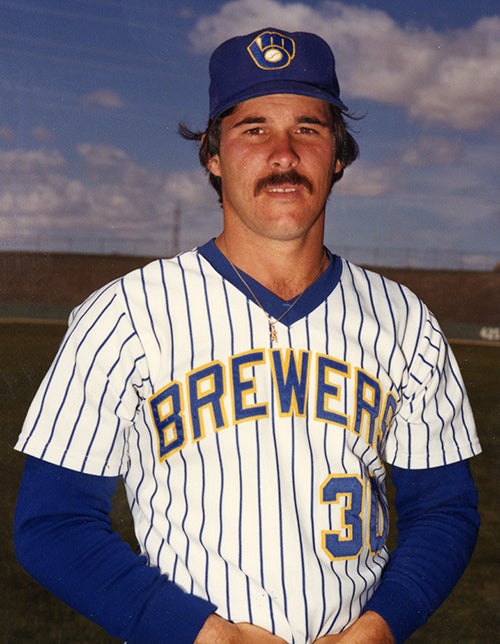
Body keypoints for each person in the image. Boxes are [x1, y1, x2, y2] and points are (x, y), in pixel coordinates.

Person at [14, 27, 481, 644]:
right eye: (254, 129)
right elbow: (52, 521)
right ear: (212, 153)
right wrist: (204, 635)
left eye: (308, 129)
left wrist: (379, 629)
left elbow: (444, 508)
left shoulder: (406, 321)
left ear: (337, 154)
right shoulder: (124, 315)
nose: (283, 154)